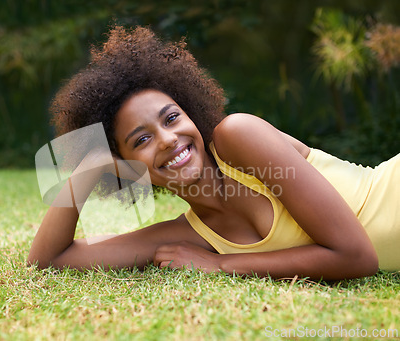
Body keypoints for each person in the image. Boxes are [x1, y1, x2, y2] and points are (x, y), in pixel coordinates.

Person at [27, 26, 400, 280]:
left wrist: (221, 265)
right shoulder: (186, 236)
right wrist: (89, 165)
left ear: (191, 112)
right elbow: (47, 261)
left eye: (171, 118)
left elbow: (356, 257)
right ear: (127, 166)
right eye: (141, 140)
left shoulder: (239, 135)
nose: (169, 139)